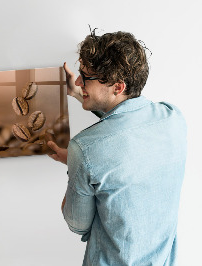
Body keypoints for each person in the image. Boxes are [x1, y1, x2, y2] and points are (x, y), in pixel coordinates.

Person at [47, 30, 187, 265]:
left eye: (86, 77)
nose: (79, 81)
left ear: (118, 87)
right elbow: (127, 124)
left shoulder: (84, 149)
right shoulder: (173, 118)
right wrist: (80, 94)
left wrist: (75, 164)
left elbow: (77, 224)